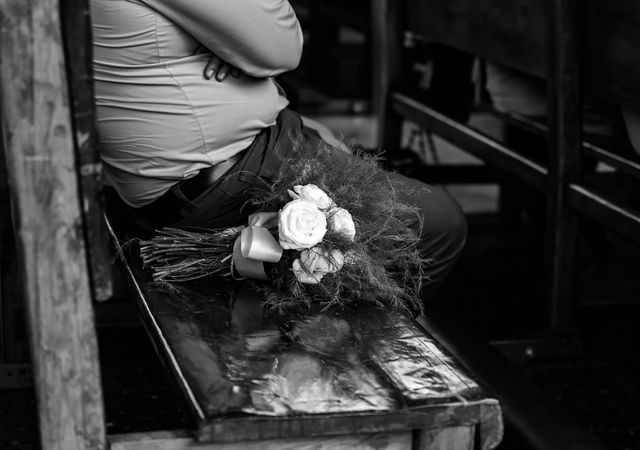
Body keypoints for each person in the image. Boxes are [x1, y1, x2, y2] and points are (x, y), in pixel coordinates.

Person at [90, 0, 467, 303]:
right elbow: (282, 44)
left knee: (346, 153)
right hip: (232, 180)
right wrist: (238, 50)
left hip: (244, 154)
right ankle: (359, 362)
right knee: (437, 222)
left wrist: (229, 51)